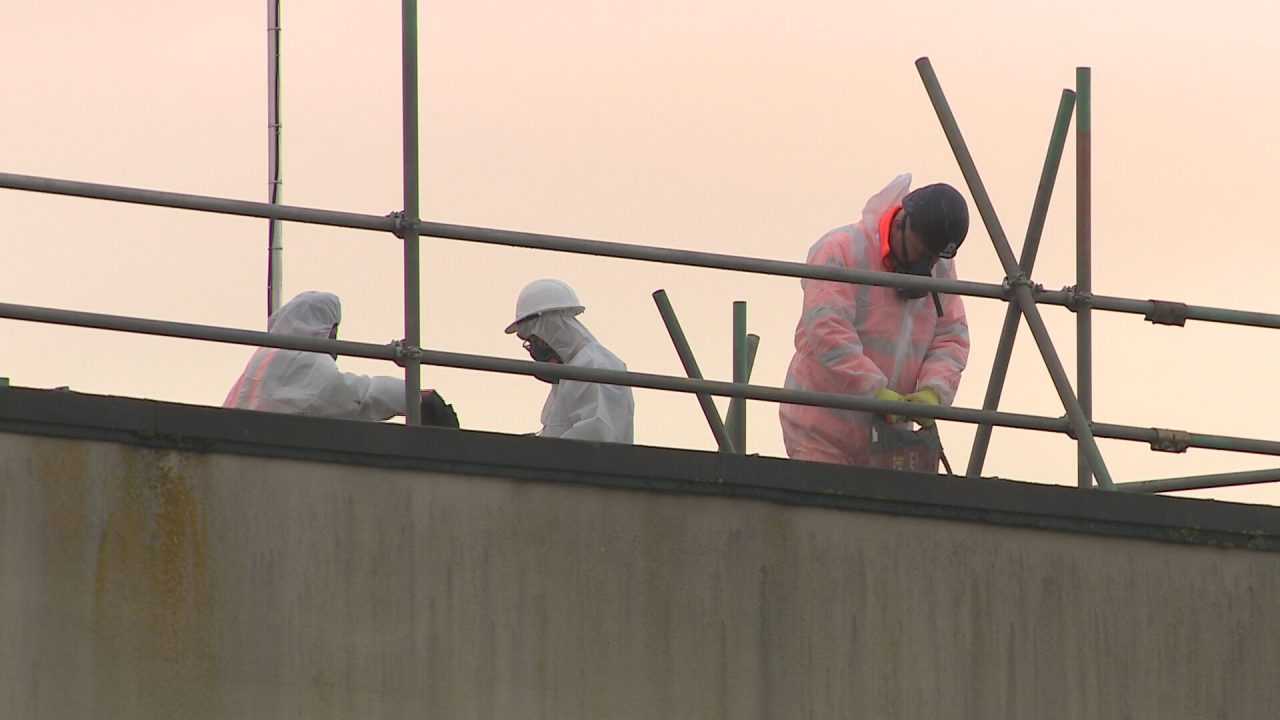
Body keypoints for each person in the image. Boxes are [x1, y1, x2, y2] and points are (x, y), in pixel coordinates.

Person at [779, 174, 970, 466]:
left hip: (887, 440)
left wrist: (934, 391)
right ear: (900, 223)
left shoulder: (939, 269)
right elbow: (828, 331)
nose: (924, 268)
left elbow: (951, 337)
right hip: (820, 429)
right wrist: (873, 391)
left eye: (931, 259)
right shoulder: (841, 250)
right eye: (921, 254)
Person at [224, 290, 458, 427]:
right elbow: (357, 396)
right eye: (334, 331)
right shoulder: (303, 360)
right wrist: (415, 397)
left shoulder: (263, 359)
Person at [506, 278, 634, 443]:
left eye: (534, 340)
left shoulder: (592, 365)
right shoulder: (570, 371)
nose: (534, 350)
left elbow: (596, 432)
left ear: (551, 329)